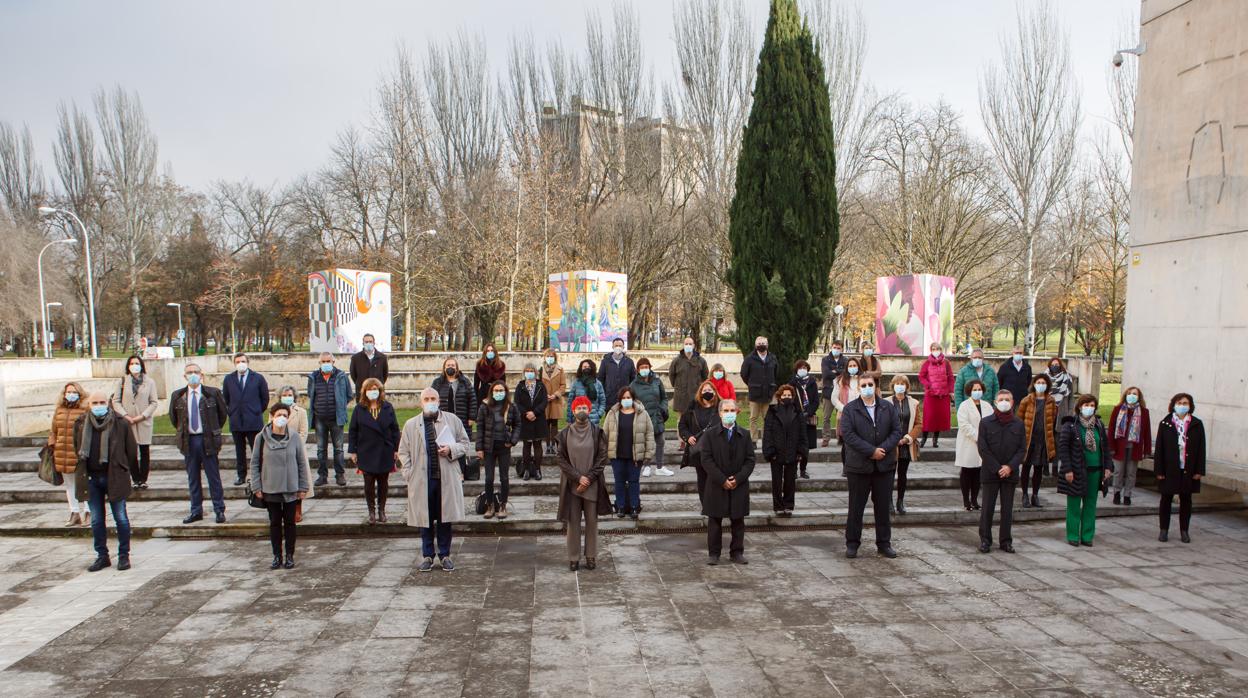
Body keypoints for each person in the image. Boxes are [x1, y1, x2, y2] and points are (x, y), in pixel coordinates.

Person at [401, 387, 472, 572]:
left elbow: (465, 444)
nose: (430, 401)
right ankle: (427, 555)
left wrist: (450, 450)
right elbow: (403, 452)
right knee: (424, 519)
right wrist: (408, 473)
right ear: (421, 402)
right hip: (422, 479)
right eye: (427, 398)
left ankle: (445, 554)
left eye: (433, 398)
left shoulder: (452, 420)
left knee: (444, 518)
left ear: (439, 401)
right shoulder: (411, 425)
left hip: (445, 478)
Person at [73, 391, 137, 571]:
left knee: (121, 518)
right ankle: (102, 556)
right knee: (96, 520)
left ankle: (124, 555)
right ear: (89, 405)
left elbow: (131, 451)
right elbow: (76, 447)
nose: (99, 406)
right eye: (95, 403)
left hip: (115, 476)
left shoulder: (120, 423)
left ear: (108, 404)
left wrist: (126, 470)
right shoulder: (80, 424)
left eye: (102, 402)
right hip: (92, 478)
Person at [839, 375, 902, 559]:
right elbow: (849, 435)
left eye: (870, 385)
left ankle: (884, 543)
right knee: (856, 508)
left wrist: (883, 449)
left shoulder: (887, 407)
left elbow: (896, 431)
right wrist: (871, 451)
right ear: (858, 388)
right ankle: (852, 544)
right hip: (859, 467)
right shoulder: (851, 409)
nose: (867, 388)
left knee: (883, 507)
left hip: (884, 466)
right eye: (863, 385)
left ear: (875, 386)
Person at [250, 403, 309, 569]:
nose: (282, 418)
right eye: (278, 415)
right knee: (275, 523)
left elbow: (301, 463)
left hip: (291, 487)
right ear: (272, 416)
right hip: (270, 487)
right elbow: (255, 463)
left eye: (285, 415)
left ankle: (290, 555)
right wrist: (256, 486)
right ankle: (277, 555)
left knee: (290, 523)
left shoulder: (295, 437)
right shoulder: (261, 438)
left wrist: (303, 487)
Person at [556, 396, 611, 571]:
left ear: (589, 411)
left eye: (584, 407)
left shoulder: (597, 432)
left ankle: (591, 556)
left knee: (592, 522)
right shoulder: (564, 434)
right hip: (572, 485)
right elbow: (561, 459)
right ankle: (573, 557)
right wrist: (578, 477)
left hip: (592, 485)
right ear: (573, 411)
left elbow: (602, 458)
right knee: (573, 523)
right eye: (578, 407)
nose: (581, 410)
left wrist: (588, 478)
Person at [169, 364, 229, 524]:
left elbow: (222, 415)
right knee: (193, 478)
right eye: (189, 372)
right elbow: (174, 418)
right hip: (189, 440)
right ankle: (196, 510)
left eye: (196, 372)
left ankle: (219, 509)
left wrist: (213, 431)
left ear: (201, 375)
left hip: (207, 439)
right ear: (185, 376)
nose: (193, 375)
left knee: (213, 477)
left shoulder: (212, 393)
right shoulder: (178, 396)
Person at [700, 399, 756, 565]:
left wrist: (738, 478)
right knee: (715, 520)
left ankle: (737, 552)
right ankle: (714, 553)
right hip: (717, 484)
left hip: (738, 484)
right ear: (720, 413)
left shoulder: (744, 434)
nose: (729, 413)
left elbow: (750, 460)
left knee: (738, 520)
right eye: (726, 411)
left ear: (737, 412)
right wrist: (722, 479)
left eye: (732, 410)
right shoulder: (710, 435)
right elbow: (706, 460)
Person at [1057, 394, 1113, 547]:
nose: (1089, 408)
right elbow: (1063, 449)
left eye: (1092, 405)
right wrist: (1068, 469)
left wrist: (1108, 466)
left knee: (1090, 504)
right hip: (1076, 471)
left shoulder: (1099, 425)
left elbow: (1105, 448)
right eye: (1086, 405)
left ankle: (1087, 535)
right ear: (1080, 407)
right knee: (1074, 504)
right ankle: (1073, 535)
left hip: (1095, 471)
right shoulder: (1070, 425)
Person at [347, 378, 401, 524]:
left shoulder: (387, 407)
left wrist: (397, 449)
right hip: (366, 451)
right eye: (370, 389)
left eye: (375, 389)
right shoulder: (359, 409)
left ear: (380, 391)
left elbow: (395, 429)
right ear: (365, 392)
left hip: (385, 450)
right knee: (369, 484)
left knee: (383, 483)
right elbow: (353, 431)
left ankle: (381, 510)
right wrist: (353, 451)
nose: (373, 392)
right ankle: (371, 511)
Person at [976, 390, 1024, 553]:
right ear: (996, 402)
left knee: (1007, 509)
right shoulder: (986, 422)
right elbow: (983, 448)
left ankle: (1005, 541)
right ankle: (985, 540)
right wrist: (997, 468)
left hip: (1010, 473)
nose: (1004, 402)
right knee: (987, 508)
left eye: (1007, 399)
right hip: (990, 472)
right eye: (1001, 399)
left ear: (1012, 402)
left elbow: (1021, 449)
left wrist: (1009, 467)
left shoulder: (1018, 423)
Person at [1154, 393, 1204, 543]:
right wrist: (1159, 470)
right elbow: (1159, 448)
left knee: (1186, 499)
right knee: (1166, 498)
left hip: (1188, 467)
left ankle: (1184, 530)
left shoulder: (1196, 424)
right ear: (1174, 404)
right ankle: (1164, 530)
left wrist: (1199, 470)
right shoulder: (1166, 423)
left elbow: (1201, 448)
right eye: (1179, 402)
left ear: (1190, 405)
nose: (1182, 405)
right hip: (1170, 468)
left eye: (1185, 403)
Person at [603, 386, 655, 519]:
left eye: (628, 397)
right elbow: (605, 434)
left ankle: (634, 507)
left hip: (635, 456)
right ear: (619, 399)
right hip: (617, 455)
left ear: (633, 398)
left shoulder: (642, 413)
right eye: (624, 398)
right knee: (619, 481)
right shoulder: (612, 413)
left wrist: (648, 453)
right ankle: (620, 506)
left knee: (634, 482)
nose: (626, 400)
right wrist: (604, 451)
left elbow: (649, 434)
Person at [222, 352, 270, 487]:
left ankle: (260, 475)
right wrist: (231, 411)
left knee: (257, 450)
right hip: (236, 420)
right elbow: (226, 398)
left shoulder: (258, 378)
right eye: (237, 362)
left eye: (242, 361)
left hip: (253, 420)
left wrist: (256, 410)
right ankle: (241, 475)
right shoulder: (229, 379)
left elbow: (265, 398)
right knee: (239, 450)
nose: (240, 364)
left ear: (247, 362)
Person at [307, 353, 352, 487]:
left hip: (336, 419)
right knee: (321, 449)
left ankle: (340, 475)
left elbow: (349, 395)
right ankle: (322, 476)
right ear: (319, 362)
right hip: (319, 418)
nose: (326, 363)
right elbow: (311, 395)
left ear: (333, 361)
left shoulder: (341, 376)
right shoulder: (314, 377)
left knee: (338, 449)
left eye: (328, 361)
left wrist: (340, 406)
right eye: (323, 361)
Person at [112, 355, 157, 490]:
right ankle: (135, 478)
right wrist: (125, 415)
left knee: (144, 451)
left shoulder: (149, 382)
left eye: (137, 363)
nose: (134, 366)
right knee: (131, 451)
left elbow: (153, 402)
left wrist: (143, 416)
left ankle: (143, 479)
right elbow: (116, 401)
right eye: (132, 363)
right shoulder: (122, 381)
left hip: (143, 421)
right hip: (127, 421)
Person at [476, 380, 520, 519]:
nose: (498, 393)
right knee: (489, 478)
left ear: (505, 392)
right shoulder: (484, 406)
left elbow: (518, 424)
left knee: (504, 477)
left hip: (504, 446)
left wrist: (512, 441)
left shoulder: (511, 407)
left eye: (501, 390)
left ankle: (503, 505)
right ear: (492, 392)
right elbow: (480, 427)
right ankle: (490, 505)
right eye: (496, 390)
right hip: (489, 446)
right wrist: (479, 447)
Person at [763, 384, 807, 516]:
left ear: (792, 397)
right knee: (776, 481)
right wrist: (769, 451)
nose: (786, 397)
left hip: (793, 451)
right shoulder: (772, 411)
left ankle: (788, 505)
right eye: (784, 395)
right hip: (776, 452)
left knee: (790, 481)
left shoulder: (798, 413)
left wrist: (801, 451)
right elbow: (768, 433)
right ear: (779, 396)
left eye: (789, 395)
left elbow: (802, 433)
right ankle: (778, 506)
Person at [49, 381, 89, 526]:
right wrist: (52, 443)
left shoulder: (85, 410)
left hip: (79, 453)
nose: (70, 395)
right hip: (62, 453)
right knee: (69, 484)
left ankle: (88, 511)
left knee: (84, 483)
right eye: (68, 392)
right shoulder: (59, 410)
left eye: (74, 392)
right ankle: (74, 512)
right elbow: (53, 430)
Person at [431, 357, 478, 479]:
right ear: (444, 368)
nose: (450, 367)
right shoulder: (437, 383)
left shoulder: (465, 382)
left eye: (453, 365)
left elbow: (473, 400)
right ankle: (444, 473)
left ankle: (461, 473)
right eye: (448, 365)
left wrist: (472, 417)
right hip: (443, 421)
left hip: (461, 420)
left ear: (457, 368)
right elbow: (432, 399)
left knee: (459, 446)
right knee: (444, 446)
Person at [273, 385, 313, 522]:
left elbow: (303, 432)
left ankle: (297, 509)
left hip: (296, 452)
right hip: (278, 451)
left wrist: (293, 446)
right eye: (285, 395)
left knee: (297, 481)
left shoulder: (300, 412)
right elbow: (270, 430)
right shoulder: (275, 412)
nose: (287, 397)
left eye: (290, 395)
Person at [1017, 375, 1057, 509]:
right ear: (1034, 384)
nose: (1040, 384)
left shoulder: (1051, 401)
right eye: (1038, 382)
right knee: (1026, 468)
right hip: (1029, 439)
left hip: (1043, 440)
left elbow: (1052, 420)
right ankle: (1024, 495)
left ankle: (1035, 494)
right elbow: (1019, 420)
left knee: (1039, 468)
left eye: (1043, 382)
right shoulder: (1026, 400)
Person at [679, 380, 721, 506]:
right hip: (699, 449)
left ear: (714, 392)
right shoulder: (693, 407)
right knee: (702, 478)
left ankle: (717, 503)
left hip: (717, 449)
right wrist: (688, 436)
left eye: (710, 390)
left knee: (715, 477)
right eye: (704, 390)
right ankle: (706, 504)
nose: (707, 392)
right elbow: (682, 425)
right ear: (700, 392)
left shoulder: (720, 406)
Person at [1109, 387, 1151, 507]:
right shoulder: (1118, 409)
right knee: (1118, 471)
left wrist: (1147, 449)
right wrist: (1110, 446)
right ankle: (1117, 493)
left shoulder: (1144, 412)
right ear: (1125, 395)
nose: (1131, 395)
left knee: (1131, 472)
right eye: (1129, 393)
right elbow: (1111, 429)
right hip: (1119, 447)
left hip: (1135, 447)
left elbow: (1147, 432)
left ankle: (1127, 494)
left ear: (1139, 397)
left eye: (1134, 394)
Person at [630, 357, 671, 477]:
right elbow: (632, 401)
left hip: (657, 416)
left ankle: (660, 467)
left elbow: (664, 397)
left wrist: (663, 408)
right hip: (643, 418)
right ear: (638, 370)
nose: (644, 369)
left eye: (646, 367)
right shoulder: (633, 385)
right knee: (646, 443)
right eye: (642, 367)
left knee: (660, 441)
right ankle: (646, 466)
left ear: (650, 368)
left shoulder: (657, 381)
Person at [956, 380, 992, 511]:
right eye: (975, 389)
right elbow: (964, 425)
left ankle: (975, 500)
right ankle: (966, 500)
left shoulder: (987, 406)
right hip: (968, 443)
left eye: (979, 389)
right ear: (969, 391)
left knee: (978, 472)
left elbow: (991, 423)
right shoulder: (964, 406)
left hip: (983, 445)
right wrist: (978, 437)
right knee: (967, 471)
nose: (977, 392)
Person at [888, 375, 922, 515]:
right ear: (893, 385)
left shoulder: (914, 403)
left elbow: (919, 424)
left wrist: (908, 438)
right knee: (889, 474)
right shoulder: (886, 402)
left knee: (902, 474)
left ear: (907, 386)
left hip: (906, 445)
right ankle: (888, 501)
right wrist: (893, 439)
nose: (900, 386)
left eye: (903, 383)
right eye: (897, 383)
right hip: (891, 444)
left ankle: (900, 501)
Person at [513, 363, 549, 481]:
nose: (529, 372)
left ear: (535, 372)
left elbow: (544, 401)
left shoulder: (540, 385)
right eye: (527, 370)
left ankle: (538, 469)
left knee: (538, 445)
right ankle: (527, 469)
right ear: (524, 372)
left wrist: (535, 412)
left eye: (531, 370)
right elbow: (517, 402)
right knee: (526, 446)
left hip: (538, 419)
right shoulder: (520, 386)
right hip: (525, 420)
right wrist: (526, 413)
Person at [669, 337, 709, 439]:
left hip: (696, 395)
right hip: (681, 396)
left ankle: (697, 438)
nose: (688, 346)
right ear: (683, 345)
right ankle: (682, 441)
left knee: (696, 418)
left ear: (694, 345)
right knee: (681, 420)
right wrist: (678, 387)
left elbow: (705, 376)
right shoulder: (677, 361)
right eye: (686, 344)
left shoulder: (701, 361)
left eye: (690, 344)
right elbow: (672, 376)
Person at [740, 336, 778, 441]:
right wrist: (752, 384)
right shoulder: (749, 359)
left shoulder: (773, 358)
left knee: (768, 419)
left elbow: (775, 373)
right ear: (756, 345)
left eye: (763, 343)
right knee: (753, 418)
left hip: (768, 394)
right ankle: (753, 440)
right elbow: (744, 374)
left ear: (767, 345)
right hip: (755, 394)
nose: (761, 345)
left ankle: (767, 440)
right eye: (759, 343)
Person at [917, 343, 954, 447]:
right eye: (933, 349)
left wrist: (951, 391)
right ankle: (923, 439)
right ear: (931, 350)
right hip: (931, 395)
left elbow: (950, 377)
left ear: (941, 350)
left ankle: (935, 440)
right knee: (929, 417)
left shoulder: (946, 363)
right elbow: (921, 376)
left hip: (943, 395)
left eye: (937, 348)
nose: (936, 350)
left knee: (939, 418)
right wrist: (928, 385)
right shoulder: (927, 363)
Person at [789, 360, 819, 479]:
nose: (803, 369)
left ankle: (803, 469)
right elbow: (789, 399)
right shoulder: (792, 383)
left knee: (806, 446)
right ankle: (794, 469)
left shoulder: (812, 382)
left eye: (805, 367)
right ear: (796, 369)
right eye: (800, 367)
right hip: (796, 418)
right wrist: (798, 413)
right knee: (796, 445)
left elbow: (816, 400)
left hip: (809, 418)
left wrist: (809, 412)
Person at [819, 340, 848, 447]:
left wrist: (835, 371)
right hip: (828, 392)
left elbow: (846, 373)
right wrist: (838, 371)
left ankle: (841, 437)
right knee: (826, 417)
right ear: (831, 347)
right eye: (835, 347)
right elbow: (826, 374)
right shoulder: (825, 359)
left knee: (843, 416)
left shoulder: (845, 360)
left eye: (838, 348)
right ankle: (826, 438)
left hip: (841, 392)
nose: (836, 349)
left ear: (842, 349)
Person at [828, 358, 864, 445]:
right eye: (850, 366)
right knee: (846, 444)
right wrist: (844, 409)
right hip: (846, 414)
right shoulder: (840, 380)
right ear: (846, 368)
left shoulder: (864, 379)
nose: (852, 367)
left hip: (862, 414)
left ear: (858, 367)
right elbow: (834, 398)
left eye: (854, 365)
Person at [598, 337, 636, 410]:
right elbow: (600, 379)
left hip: (625, 398)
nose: (618, 347)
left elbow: (633, 379)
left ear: (623, 347)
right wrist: (604, 394)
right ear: (612, 347)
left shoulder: (629, 362)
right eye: (616, 346)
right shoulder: (605, 361)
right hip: (610, 399)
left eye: (620, 346)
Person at [540, 349, 566, 455]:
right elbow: (539, 385)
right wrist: (544, 395)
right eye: (548, 356)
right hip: (544, 401)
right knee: (546, 424)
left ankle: (554, 446)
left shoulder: (560, 370)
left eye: (552, 356)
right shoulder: (541, 370)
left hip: (555, 401)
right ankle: (547, 446)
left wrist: (555, 395)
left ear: (555, 357)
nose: (550, 358)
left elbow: (563, 385)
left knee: (554, 424)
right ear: (545, 357)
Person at [348, 333, 389, 397]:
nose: (368, 343)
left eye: (370, 341)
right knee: (362, 407)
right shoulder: (355, 358)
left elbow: (385, 374)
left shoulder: (382, 357)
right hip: (362, 391)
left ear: (374, 343)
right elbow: (353, 375)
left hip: (378, 390)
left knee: (378, 407)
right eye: (366, 342)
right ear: (363, 343)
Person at [566, 359, 606, 424]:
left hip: (593, 420)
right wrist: (569, 419)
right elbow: (570, 402)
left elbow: (602, 401)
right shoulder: (576, 383)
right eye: (584, 367)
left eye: (588, 367)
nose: (586, 369)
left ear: (592, 368)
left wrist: (599, 415)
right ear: (581, 369)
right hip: (577, 419)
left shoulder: (598, 383)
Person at [1046, 357, 1075, 423]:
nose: (1054, 366)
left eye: (1056, 364)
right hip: (1047, 409)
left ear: (1060, 365)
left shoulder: (1067, 377)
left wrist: (1070, 412)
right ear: (1049, 366)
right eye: (1052, 365)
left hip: (1063, 409)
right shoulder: (1045, 377)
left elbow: (1071, 397)